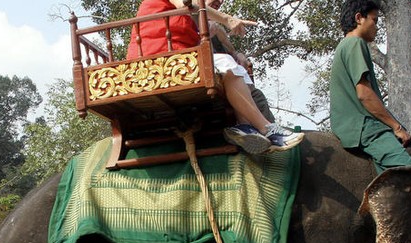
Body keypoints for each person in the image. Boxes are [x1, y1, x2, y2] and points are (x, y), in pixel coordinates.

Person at [127, 0, 304, 154]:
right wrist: (228, 19)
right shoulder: (186, 9)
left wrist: (229, 43)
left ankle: (245, 126)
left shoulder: (183, 19)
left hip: (173, 58)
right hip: (162, 61)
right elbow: (189, 5)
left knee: (236, 68)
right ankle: (266, 127)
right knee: (225, 63)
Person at [330, 0, 411, 174]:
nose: (377, 27)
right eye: (374, 21)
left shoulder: (344, 46)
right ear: (359, 18)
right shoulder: (354, 43)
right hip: (364, 127)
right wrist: (396, 127)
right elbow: (364, 94)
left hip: (355, 125)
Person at [206, 0, 274, 123]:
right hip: (199, 68)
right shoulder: (185, 14)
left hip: (222, 72)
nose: (219, 1)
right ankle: (251, 129)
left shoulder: (216, 27)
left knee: (257, 96)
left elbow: (230, 48)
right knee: (229, 65)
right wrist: (227, 20)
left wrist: (239, 54)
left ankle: (268, 132)